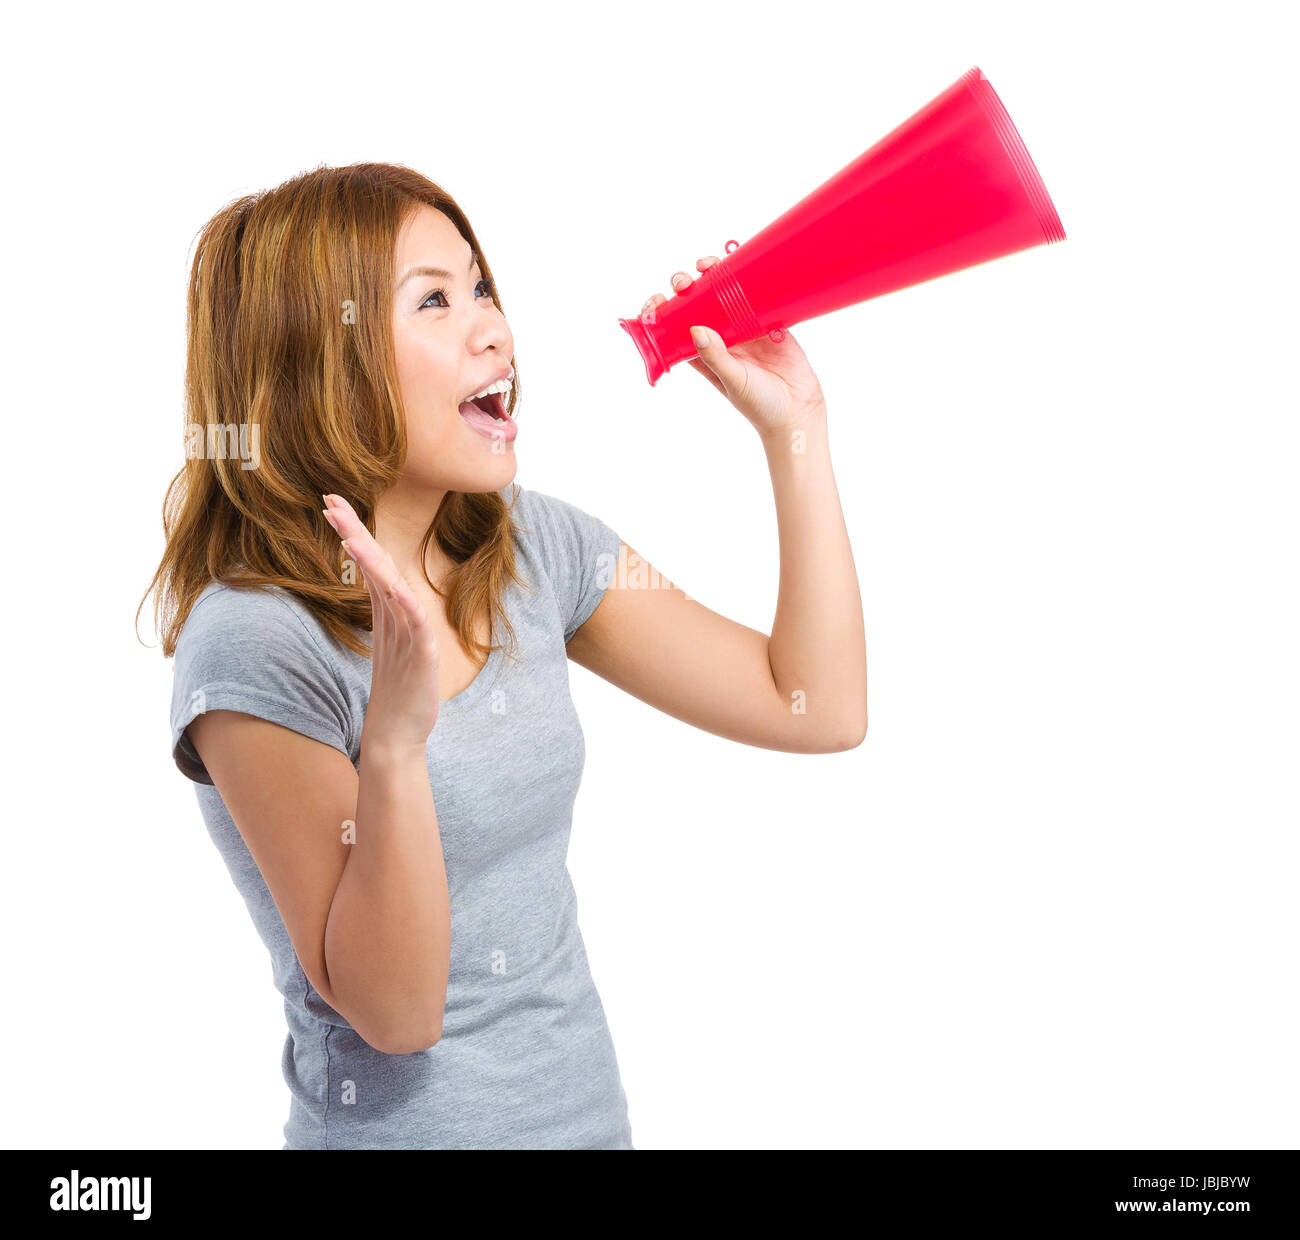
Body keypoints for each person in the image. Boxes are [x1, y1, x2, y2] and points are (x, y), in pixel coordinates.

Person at [143, 162, 867, 1150]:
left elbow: (813, 705)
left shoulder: (531, 548)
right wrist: (394, 742)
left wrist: (796, 430)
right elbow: (396, 1014)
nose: (493, 328)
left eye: (481, 286)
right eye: (433, 301)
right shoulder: (259, 638)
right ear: (317, 356)